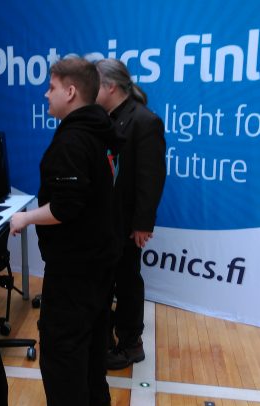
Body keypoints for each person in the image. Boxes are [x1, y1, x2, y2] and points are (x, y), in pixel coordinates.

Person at [10, 57, 119, 406]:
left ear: (71, 91)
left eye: (52, 87)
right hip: (99, 254)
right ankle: (95, 395)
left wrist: (25, 218)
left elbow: (65, 207)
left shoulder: (73, 140)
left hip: (76, 262)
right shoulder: (99, 130)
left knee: (62, 339)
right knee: (93, 328)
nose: (46, 94)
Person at [94, 58, 166, 370]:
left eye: (94, 85)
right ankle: (108, 337)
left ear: (110, 86)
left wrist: (142, 224)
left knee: (127, 282)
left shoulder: (145, 121)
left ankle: (130, 343)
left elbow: (152, 179)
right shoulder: (107, 118)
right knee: (110, 280)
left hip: (126, 223)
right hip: (106, 221)